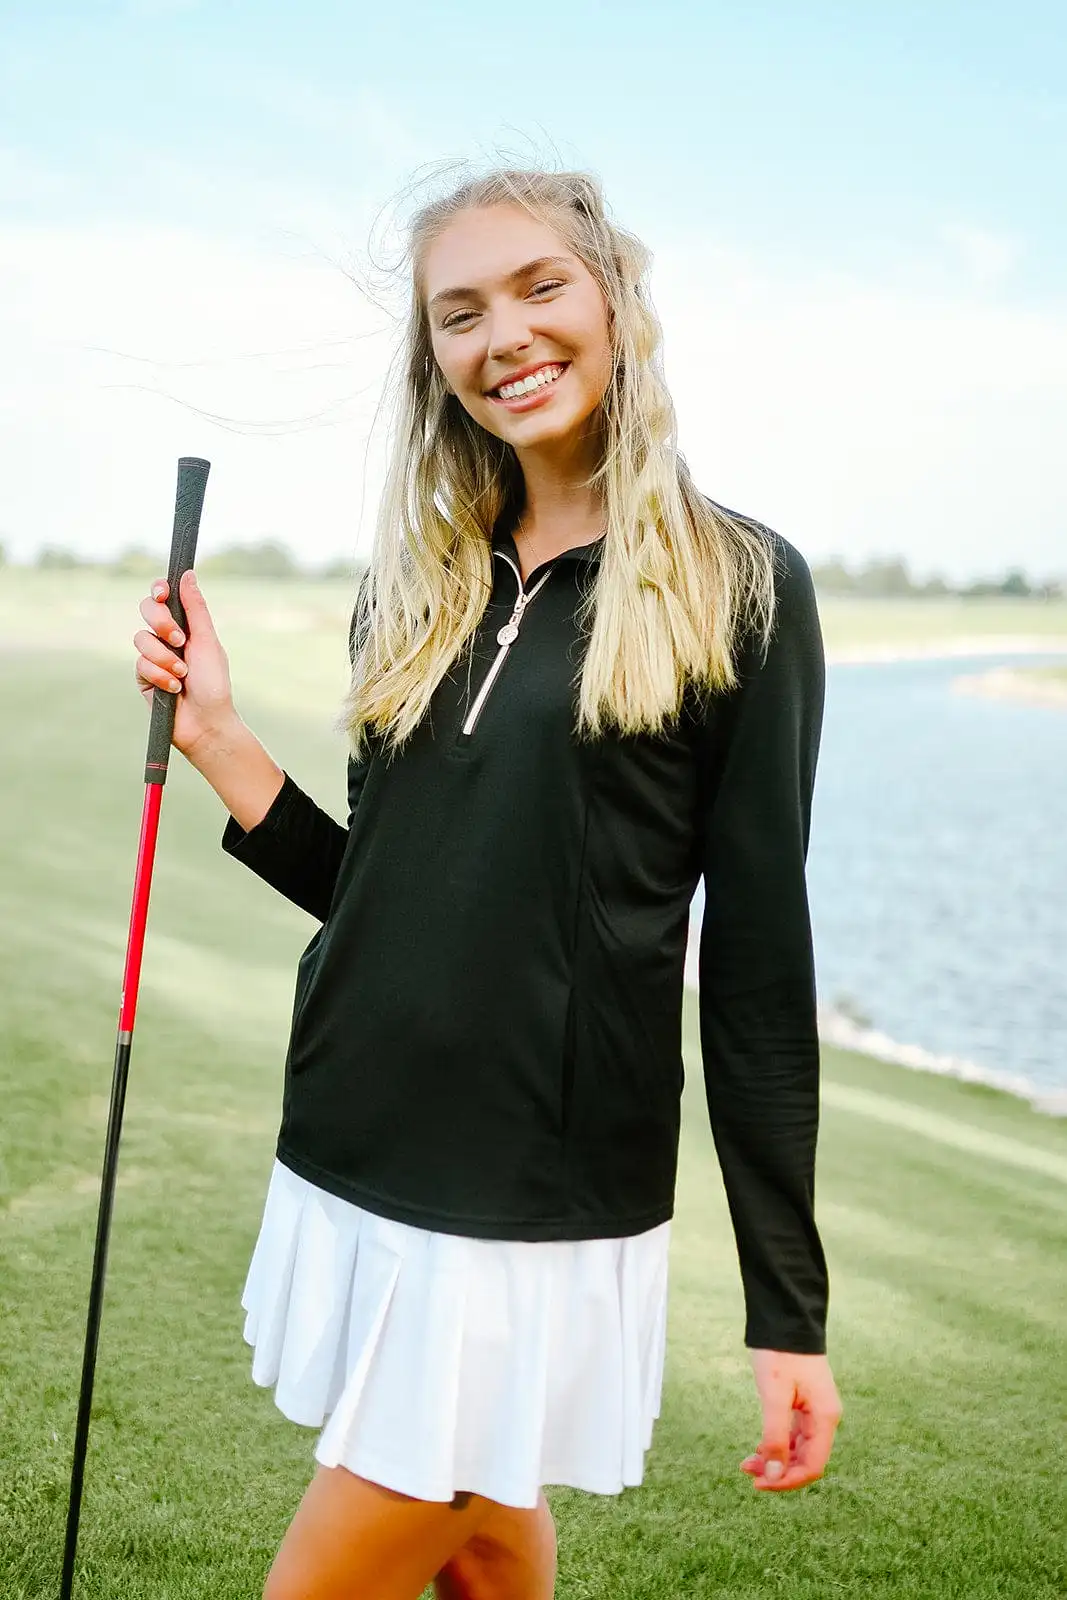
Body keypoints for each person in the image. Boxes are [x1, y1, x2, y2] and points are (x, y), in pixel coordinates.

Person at [132, 165, 843, 1600]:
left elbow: (758, 969)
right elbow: (383, 891)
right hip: (358, 1130)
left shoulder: (741, 583)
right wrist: (214, 735)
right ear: (433, 361)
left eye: (537, 288)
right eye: (457, 313)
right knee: (484, 1541)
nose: (501, 334)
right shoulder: (416, 581)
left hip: (529, 1195)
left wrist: (788, 1307)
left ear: (613, 301)